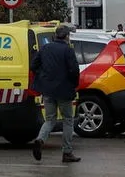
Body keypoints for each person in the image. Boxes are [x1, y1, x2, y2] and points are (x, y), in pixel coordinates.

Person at [31, 24, 81, 163]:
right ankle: (67, 152)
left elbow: (33, 66)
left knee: (50, 119)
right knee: (68, 120)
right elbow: (74, 71)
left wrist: (44, 76)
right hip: (64, 91)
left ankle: (40, 140)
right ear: (66, 36)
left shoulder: (45, 48)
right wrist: (73, 84)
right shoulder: (67, 50)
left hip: (48, 90)